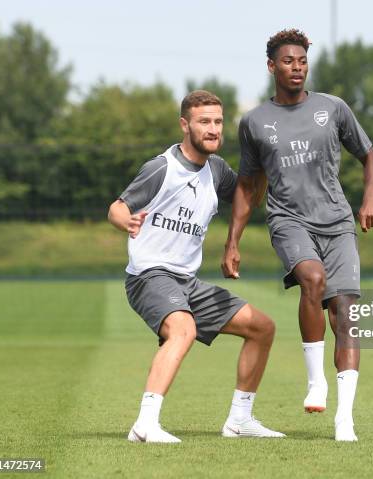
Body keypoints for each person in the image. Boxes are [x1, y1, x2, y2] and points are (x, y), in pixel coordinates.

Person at [222, 29, 373, 442]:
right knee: (312, 279)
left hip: (337, 222)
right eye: (289, 61)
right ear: (272, 66)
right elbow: (246, 185)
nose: (297, 68)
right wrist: (233, 241)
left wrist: (369, 199)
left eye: (302, 61)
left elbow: (370, 158)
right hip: (289, 220)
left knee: (344, 315)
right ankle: (316, 383)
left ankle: (344, 419)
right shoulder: (255, 122)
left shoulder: (333, 108)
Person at [108, 90, 285, 443]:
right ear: (185, 125)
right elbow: (116, 206)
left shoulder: (216, 170)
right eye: (205, 121)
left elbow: (248, 195)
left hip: (187, 283)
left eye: (218, 122)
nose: (213, 128)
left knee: (262, 328)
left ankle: (239, 420)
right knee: (183, 329)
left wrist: (264, 157)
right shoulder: (162, 168)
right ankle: (145, 425)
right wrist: (126, 222)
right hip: (150, 276)